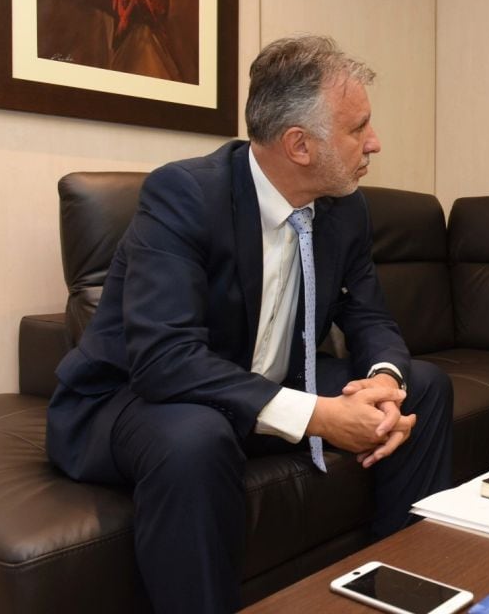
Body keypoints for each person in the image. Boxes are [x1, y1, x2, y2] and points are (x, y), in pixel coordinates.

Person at [46, 35, 453, 613]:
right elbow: (165, 361)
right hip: (131, 399)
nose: (375, 142)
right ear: (300, 145)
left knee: (425, 388)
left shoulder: (345, 207)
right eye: (358, 128)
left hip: (249, 390)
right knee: (195, 436)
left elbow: (368, 314)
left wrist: (386, 378)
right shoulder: (185, 194)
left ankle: (398, 587)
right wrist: (319, 415)